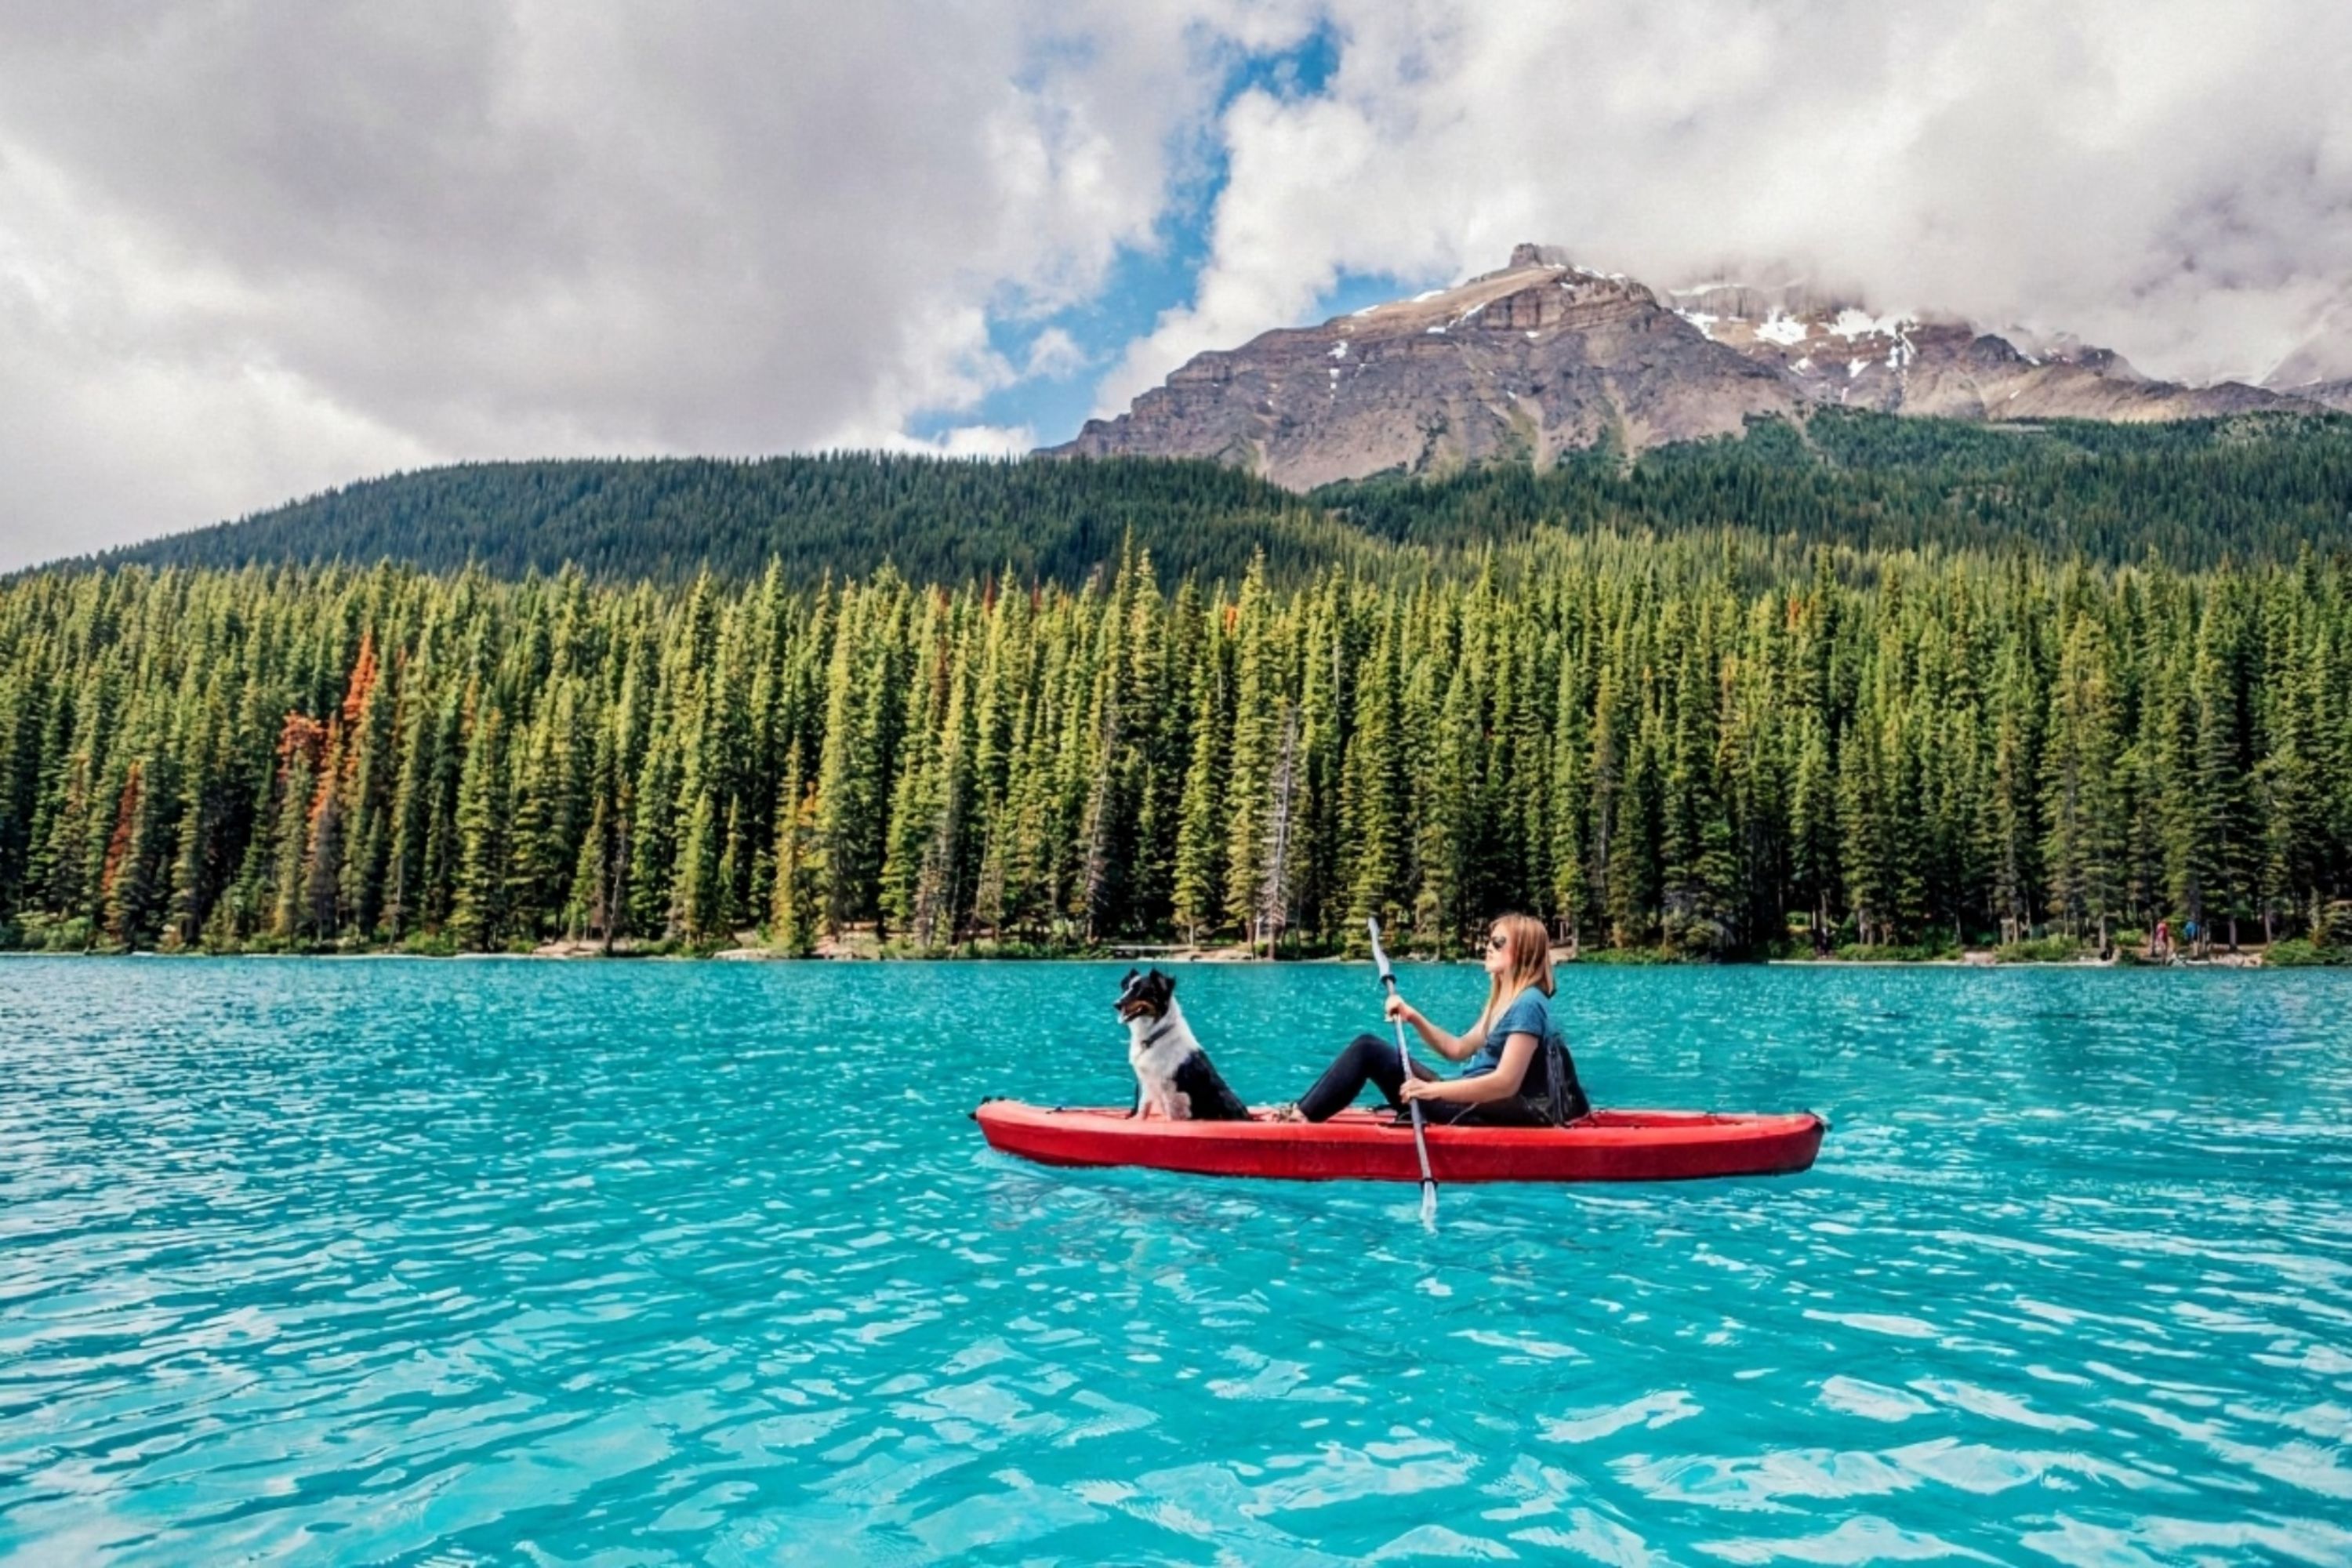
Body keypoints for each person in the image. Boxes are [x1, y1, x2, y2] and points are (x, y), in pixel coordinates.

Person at [1277, 913, 1589, 1126]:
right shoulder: (1504, 1000)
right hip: (1468, 1102)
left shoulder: (1528, 1004)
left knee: (1367, 1051)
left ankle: (1301, 1119)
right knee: (1368, 1047)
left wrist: (1433, 1091)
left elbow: (1505, 1084)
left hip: (1476, 1111)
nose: (1488, 948)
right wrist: (1413, 1017)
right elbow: (1457, 1049)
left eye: (1498, 943)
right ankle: (1303, 1112)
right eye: (1490, 941)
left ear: (1521, 952)